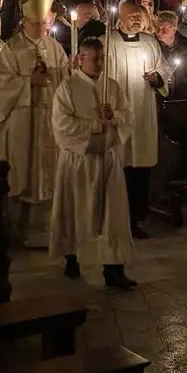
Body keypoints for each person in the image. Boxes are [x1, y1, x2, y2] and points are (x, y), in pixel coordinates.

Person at [49, 37, 137, 290]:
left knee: (113, 214)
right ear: (80, 59)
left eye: (102, 58)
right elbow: (62, 125)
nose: (99, 63)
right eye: (94, 58)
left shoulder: (111, 86)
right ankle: (73, 257)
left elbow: (127, 115)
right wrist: (96, 125)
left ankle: (114, 268)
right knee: (78, 209)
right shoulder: (67, 88)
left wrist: (115, 117)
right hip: (79, 160)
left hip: (107, 159)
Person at [0, 0, 67, 244]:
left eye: (44, 23)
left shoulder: (55, 48)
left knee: (49, 173)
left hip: (49, 120)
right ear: (25, 22)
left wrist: (68, 75)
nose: (42, 27)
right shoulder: (11, 49)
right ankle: (19, 230)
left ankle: (49, 230)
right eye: (36, 23)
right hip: (22, 121)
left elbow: (64, 82)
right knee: (24, 171)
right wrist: (28, 83)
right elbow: (0, 87)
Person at [103, 1, 170, 239]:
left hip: (143, 113)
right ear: (119, 18)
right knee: (119, 166)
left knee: (140, 167)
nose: (136, 20)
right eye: (131, 16)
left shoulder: (151, 42)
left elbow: (164, 68)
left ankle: (136, 218)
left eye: (139, 16)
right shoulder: (108, 42)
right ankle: (114, 218)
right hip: (119, 114)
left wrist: (157, 78)